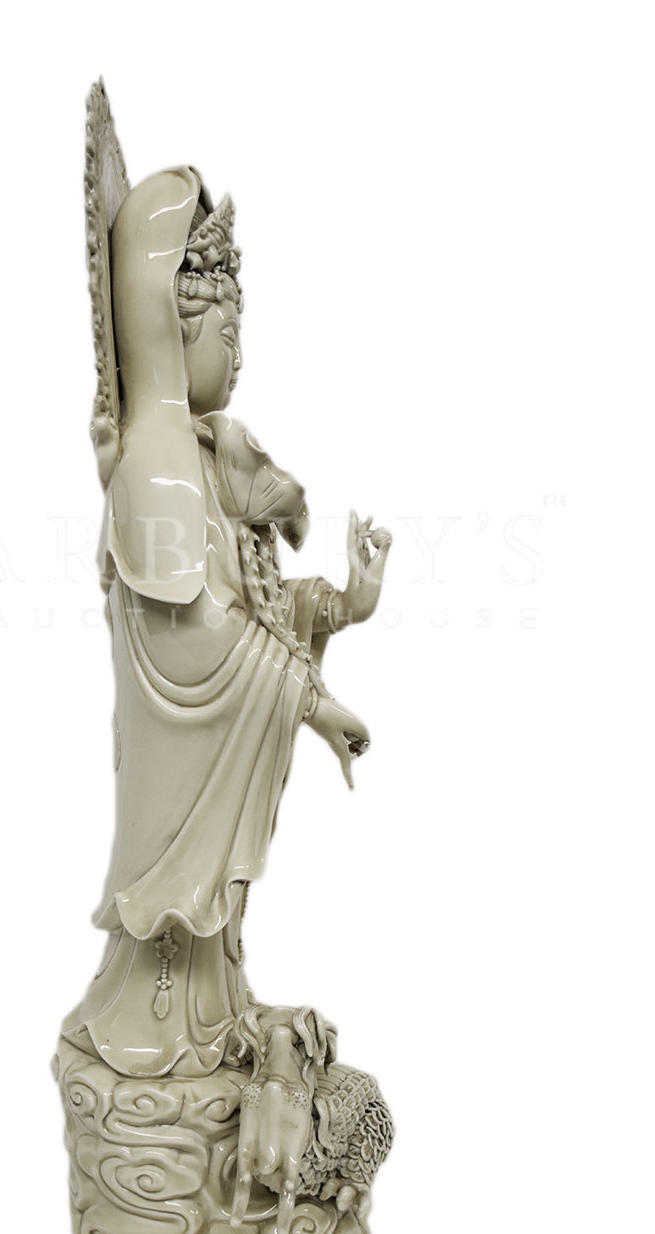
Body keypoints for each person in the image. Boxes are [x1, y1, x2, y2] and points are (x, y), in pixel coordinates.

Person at [62, 167, 391, 1095]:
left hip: (211, 767)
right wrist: (312, 703)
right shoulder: (157, 471)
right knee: (170, 945)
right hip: (176, 781)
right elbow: (196, 644)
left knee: (212, 959)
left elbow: (252, 603)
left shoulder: (204, 456)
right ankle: (154, 1047)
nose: (239, 356)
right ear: (171, 328)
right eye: (227, 330)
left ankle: (208, 1022)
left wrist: (341, 602)